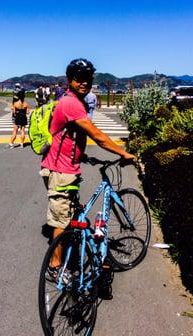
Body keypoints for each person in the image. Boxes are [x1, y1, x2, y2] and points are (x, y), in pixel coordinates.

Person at [40, 58, 135, 273]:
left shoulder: (76, 101)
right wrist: (123, 153)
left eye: (88, 79)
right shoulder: (71, 103)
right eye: (79, 78)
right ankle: (56, 266)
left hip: (68, 168)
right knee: (60, 220)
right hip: (60, 171)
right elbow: (98, 136)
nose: (84, 82)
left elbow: (70, 135)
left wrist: (81, 156)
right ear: (70, 80)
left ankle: (71, 252)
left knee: (71, 213)